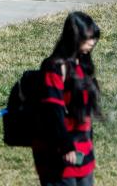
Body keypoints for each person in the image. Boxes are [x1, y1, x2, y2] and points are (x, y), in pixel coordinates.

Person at [33, 11, 102, 186]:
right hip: (60, 153)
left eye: (93, 38)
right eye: (88, 38)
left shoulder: (82, 64)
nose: (92, 43)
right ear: (74, 37)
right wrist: (65, 145)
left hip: (83, 150)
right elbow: (52, 109)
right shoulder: (54, 67)